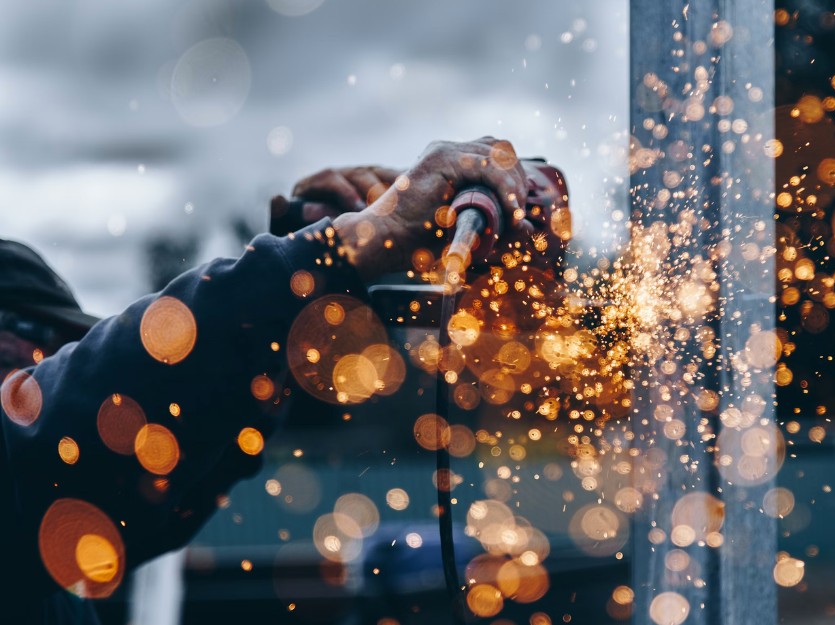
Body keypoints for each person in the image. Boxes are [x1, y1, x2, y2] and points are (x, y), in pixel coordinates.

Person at [0, 137, 549, 624]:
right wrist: (337, 247)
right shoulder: (23, 478)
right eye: (23, 337)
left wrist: (302, 287)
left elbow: (171, 466)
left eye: (60, 349)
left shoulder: (47, 554)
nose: (43, 366)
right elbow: (52, 439)